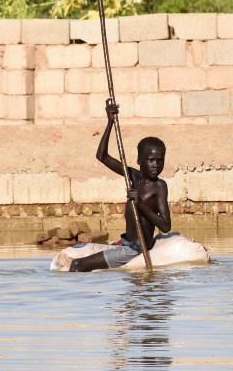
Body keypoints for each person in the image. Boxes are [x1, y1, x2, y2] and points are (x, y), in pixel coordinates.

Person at [68, 100, 172, 272]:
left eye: (160, 160)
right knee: (76, 261)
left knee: (77, 265)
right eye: (151, 160)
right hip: (124, 243)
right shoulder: (132, 176)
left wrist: (141, 204)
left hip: (135, 250)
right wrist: (110, 122)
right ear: (140, 161)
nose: (156, 165)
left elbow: (166, 226)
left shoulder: (159, 186)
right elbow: (102, 156)